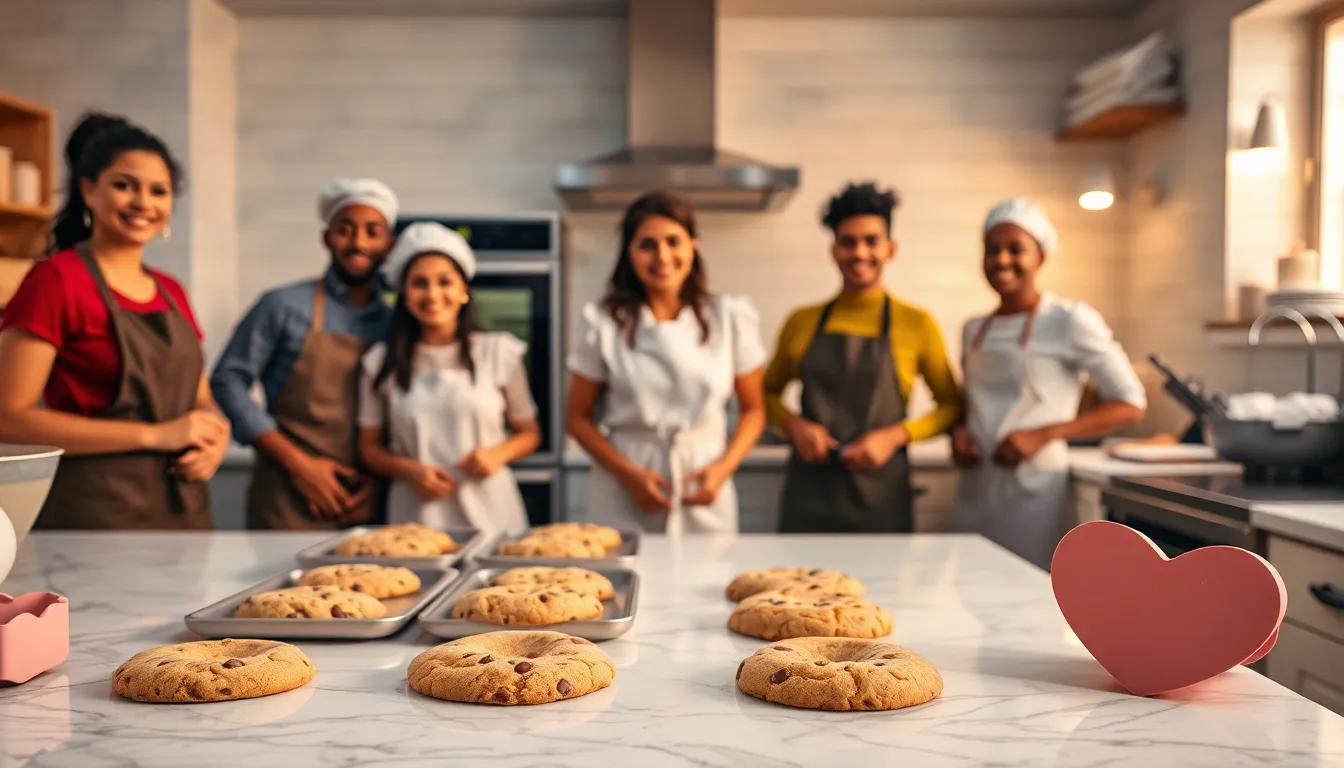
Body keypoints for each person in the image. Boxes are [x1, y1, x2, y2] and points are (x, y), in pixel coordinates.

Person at [0, 111, 227, 529]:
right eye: (124, 185)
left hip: (184, 514)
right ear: (89, 190)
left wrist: (216, 436)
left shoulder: (171, 290)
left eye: (158, 191)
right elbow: (9, 416)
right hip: (94, 515)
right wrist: (155, 435)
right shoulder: (55, 280)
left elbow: (200, 400)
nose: (143, 203)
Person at [951, 198, 1146, 570]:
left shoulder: (1069, 320)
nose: (1002, 260)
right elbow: (971, 402)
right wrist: (959, 432)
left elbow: (1130, 403)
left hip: (1035, 489)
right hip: (976, 486)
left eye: (1015, 249)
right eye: (992, 250)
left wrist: (1041, 435)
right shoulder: (973, 329)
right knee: (971, 593)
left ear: (1040, 257)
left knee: (1027, 596)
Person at [764, 182, 963, 534]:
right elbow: (764, 395)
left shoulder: (916, 324)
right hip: (809, 495)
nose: (859, 253)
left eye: (871, 241)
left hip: (881, 499)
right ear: (833, 250)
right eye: (848, 242)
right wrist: (794, 426)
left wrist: (896, 436)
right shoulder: (801, 322)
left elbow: (952, 405)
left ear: (891, 248)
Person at [566, 191, 768, 534]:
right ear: (629, 253)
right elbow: (577, 418)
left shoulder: (730, 317)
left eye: (673, 241)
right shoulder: (601, 322)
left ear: (693, 245)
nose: (662, 256)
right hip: (623, 484)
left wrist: (722, 470)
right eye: (647, 244)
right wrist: (629, 477)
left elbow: (754, 410)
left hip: (704, 479)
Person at [210, 177, 398, 529]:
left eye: (373, 231)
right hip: (286, 499)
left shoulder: (396, 324)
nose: (358, 242)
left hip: (366, 504)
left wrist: (380, 485)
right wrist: (299, 465)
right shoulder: (281, 305)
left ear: (388, 244)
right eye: (345, 229)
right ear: (326, 237)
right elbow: (228, 382)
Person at [356, 222, 540, 536]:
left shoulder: (499, 352)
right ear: (404, 294)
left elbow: (529, 433)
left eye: (445, 282)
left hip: (492, 512)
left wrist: (496, 454)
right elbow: (369, 448)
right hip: (416, 517)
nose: (433, 294)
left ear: (463, 290)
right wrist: (411, 470)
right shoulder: (379, 362)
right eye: (419, 283)